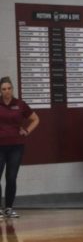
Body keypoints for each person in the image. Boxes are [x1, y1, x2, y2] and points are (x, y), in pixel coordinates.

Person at [0, 76, 39, 219]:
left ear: (12, 89)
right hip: (0, 146)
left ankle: (9, 208)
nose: (7, 91)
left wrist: (27, 131)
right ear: (0, 90)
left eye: (9, 88)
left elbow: (36, 119)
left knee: (11, 177)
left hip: (16, 146)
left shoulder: (20, 104)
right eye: (4, 89)